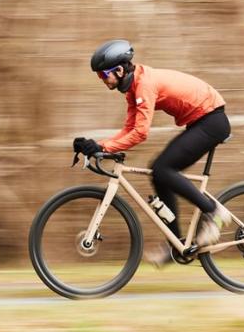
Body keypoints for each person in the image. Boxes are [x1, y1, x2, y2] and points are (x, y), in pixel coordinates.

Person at [73, 39, 232, 267]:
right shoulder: (132, 88)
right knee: (159, 174)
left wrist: (104, 148)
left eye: (102, 75)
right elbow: (128, 128)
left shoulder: (145, 84)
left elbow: (140, 133)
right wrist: (99, 145)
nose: (102, 80)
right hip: (200, 122)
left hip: (211, 121)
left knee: (162, 168)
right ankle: (175, 243)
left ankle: (214, 211)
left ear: (119, 70)